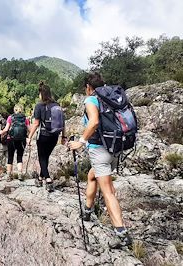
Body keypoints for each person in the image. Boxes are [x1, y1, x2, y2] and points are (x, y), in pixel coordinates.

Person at [68, 72, 132, 249]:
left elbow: (94, 122)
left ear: (88, 87)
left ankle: (121, 233)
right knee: (91, 176)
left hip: (100, 150)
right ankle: (88, 211)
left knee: (108, 191)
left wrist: (81, 142)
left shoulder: (91, 100)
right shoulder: (110, 97)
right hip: (115, 147)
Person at [27, 81, 67, 192]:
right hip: (54, 136)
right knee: (46, 157)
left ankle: (48, 179)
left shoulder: (39, 106)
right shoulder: (57, 105)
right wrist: (64, 136)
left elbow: (36, 124)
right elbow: (63, 123)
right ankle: (40, 178)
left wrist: (29, 137)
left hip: (43, 135)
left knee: (42, 157)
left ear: (41, 94)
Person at [0, 104, 30, 179]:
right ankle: (20, 174)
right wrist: (28, 137)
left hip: (11, 139)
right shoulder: (25, 118)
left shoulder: (10, 117)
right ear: (21, 110)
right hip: (22, 140)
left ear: (14, 110)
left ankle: (9, 175)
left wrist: (1, 132)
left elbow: (6, 129)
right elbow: (29, 129)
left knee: (10, 157)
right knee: (19, 156)